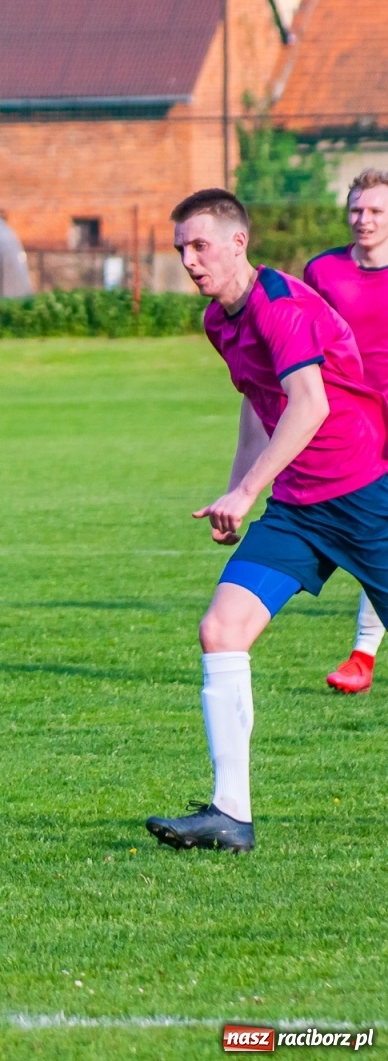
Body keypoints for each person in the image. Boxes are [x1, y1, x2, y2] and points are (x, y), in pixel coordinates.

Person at [145, 188, 388, 853]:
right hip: (299, 508)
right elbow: (260, 402)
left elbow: (309, 405)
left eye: (200, 246)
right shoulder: (219, 321)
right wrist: (236, 490)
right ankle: (230, 814)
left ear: (238, 243)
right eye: (181, 249)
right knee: (221, 629)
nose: (189, 261)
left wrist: (249, 491)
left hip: (366, 494)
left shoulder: (281, 306)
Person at [303, 170, 388, 693]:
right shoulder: (323, 271)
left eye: (375, 210)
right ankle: (362, 657)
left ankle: (362, 656)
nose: (364, 219)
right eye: (357, 209)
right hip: (352, 425)